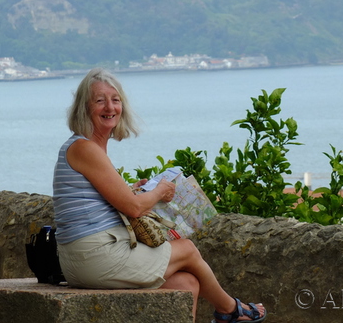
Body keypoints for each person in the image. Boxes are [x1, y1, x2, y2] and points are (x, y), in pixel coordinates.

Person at [53, 68, 267, 322]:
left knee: (186, 284)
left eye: (115, 99)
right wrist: (159, 191)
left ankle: (227, 311)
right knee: (186, 249)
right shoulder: (85, 148)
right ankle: (230, 310)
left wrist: (132, 189)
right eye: (100, 100)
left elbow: (103, 200)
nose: (109, 107)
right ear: (84, 108)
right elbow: (133, 208)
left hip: (88, 258)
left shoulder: (86, 148)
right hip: (94, 257)